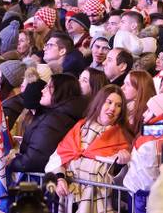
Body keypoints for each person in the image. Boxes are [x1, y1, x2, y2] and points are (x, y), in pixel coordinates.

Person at [46, 84, 132, 213]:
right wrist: (60, 179)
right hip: (70, 198)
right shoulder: (79, 128)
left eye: (118, 105)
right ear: (99, 103)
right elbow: (59, 157)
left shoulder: (122, 137)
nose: (112, 108)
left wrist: (122, 164)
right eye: (109, 102)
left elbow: (124, 179)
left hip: (100, 203)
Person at [10, 73, 88, 173]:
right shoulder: (62, 115)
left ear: (60, 92)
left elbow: (33, 160)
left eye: (49, 87)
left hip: (37, 178)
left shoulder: (55, 120)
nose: (43, 90)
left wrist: (11, 162)